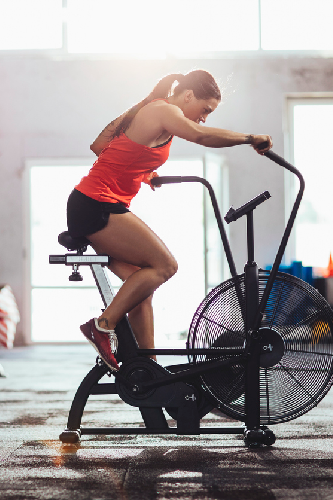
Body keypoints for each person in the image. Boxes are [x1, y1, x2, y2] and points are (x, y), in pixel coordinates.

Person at [66, 70, 273, 371]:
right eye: (204, 110)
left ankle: (148, 371)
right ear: (188, 95)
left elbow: (100, 147)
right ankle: (103, 326)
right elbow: (201, 136)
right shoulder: (164, 110)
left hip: (95, 203)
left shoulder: (154, 110)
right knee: (165, 266)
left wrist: (143, 171)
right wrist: (249, 138)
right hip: (95, 204)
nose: (202, 118)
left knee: (141, 288)